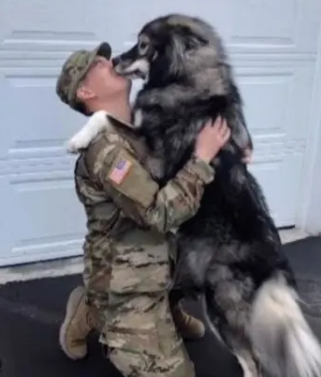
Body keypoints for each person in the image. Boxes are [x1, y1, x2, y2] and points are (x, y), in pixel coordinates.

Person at [55, 43, 249, 376]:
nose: (109, 60)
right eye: (97, 64)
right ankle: (97, 310)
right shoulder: (107, 152)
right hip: (127, 285)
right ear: (86, 91)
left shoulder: (138, 129)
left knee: (223, 258)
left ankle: (164, 306)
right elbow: (160, 213)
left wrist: (226, 155)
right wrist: (202, 158)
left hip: (162, 257)